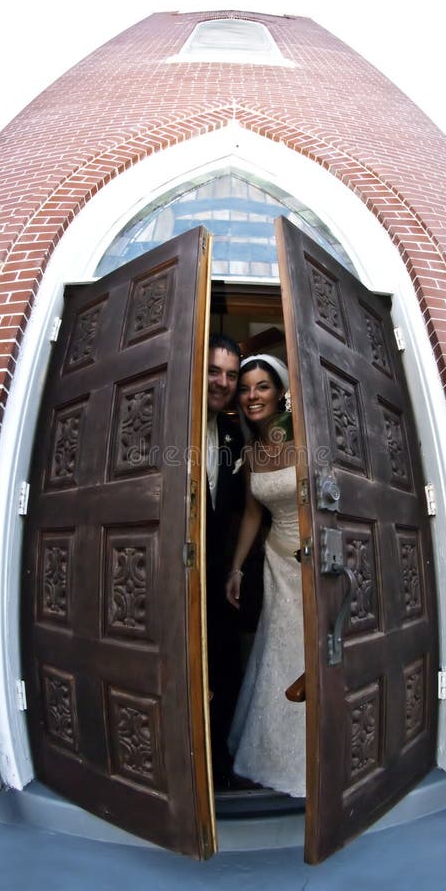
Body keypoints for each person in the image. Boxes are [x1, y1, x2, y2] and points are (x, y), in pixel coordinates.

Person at [225, 354, 306, 798]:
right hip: (276, 559)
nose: (252, 396)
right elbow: (255, 513)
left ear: (280, 392)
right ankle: (270, 751)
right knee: (278, 649)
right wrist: (236, 568)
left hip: (312, 562)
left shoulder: (305, 440)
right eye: (246, 388)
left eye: (262, 387)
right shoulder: (251, 453)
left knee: (311, 653)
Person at [205, 333, 245, 787]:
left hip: (218, 570)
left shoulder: (232, 433)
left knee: (224, 663)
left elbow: (234, 507)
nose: (223, 382)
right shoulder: (174, 421)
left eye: (230, 375)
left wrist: (233, 567)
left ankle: (220, 762)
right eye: (214, 371)